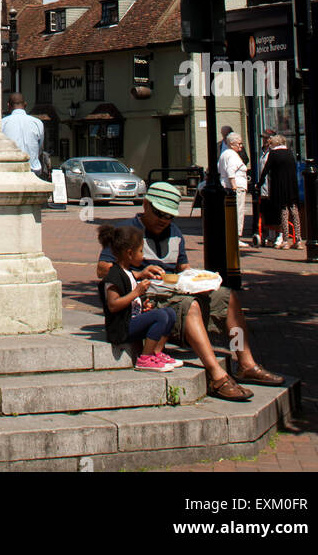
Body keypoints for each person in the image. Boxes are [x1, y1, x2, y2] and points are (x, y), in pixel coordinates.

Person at [95, 182, 284, 401]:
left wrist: (196, 276)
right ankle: (217, 375)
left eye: (169, 216)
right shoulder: (127, 232)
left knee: (228, 297)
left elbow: (182, 267)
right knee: (190, 306)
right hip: (148, 299)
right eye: (159, 213)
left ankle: (245, 362)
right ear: (146, 205)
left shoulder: (175, 232)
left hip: (176, 291)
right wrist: (140, 274)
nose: (163, 220)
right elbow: (102, 270)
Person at [97, 223, 178, 371]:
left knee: (170, 313)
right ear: (129, 254)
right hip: (121, 328)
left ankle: (157, 352)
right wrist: (136, 293)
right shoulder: (114, 276)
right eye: (141, 251)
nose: (144, 255)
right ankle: (145, 358)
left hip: (131, 320)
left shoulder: (128, 272)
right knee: (160, 316)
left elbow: (130, 298)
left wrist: (141, 305)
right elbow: (113, 305)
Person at [259, 134, 303, 250]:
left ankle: (285, 240)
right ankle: (298, 239)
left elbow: (266, 170)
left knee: (284, 212)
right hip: (291, 186)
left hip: (279, 186)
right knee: (294, 211)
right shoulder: (289, 153)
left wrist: (259, 183)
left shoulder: (273, 154)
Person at [1, 94, 45, 178]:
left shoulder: (2, 123)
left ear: (8, 105)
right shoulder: (37, 123)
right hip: (33, 170)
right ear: (25, 104)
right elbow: (40, 149)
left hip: (11, 170)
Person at [218, 132, 249, 247]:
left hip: (227, 186)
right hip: (236, 188)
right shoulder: (232, 155)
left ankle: (231, 235)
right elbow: (231, 171)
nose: (241, 146)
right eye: (239, 144)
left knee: (230, 213)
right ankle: (236, 236)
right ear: (232, 144)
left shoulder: (224, 154)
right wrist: (234, 187)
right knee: (238, 212)